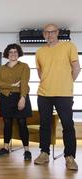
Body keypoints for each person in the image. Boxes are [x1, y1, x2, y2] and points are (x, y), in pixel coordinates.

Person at [34, 24, 81, 170]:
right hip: (44, 94)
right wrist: (48, 82)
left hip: (64, 94)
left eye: (53, 32)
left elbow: (76, 68)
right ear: (43, 34)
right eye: (47, 32)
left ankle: (70, 157)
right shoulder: (39, 51)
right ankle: (44, 153)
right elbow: (40, 72)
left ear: (57, 33)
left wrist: (66, 83)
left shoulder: (69, 47)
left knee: (68, 125)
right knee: (45, 125)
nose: (50, 35)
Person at [0, 43, 32, 160]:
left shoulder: (24, 66)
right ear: (7, 54)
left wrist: (22, 98)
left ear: (18, 53)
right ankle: (5, 148)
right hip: (6, 98)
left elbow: (24, 83)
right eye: (10, 52)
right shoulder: (2, 68)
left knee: (22, 123)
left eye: (15, 52)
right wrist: (12, 85)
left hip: (20, 97)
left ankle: (27, 150)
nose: (13, 54)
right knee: (7, 123)